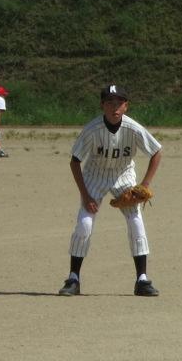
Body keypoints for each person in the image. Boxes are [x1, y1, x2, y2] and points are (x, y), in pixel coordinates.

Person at [56, 85, 163, 298]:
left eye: (119, 103)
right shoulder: (92, 129)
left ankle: (142, 279)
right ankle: (73, 278)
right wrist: (86, 196)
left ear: (126, 106)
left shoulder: (133, 128)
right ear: (102, 105)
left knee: (136, 221)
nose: (115, 107)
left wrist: (144, 185)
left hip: (124, 176)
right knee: (85, 224)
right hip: (94, 177)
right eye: (110, 103)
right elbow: (75, 161)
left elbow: (156, 152)